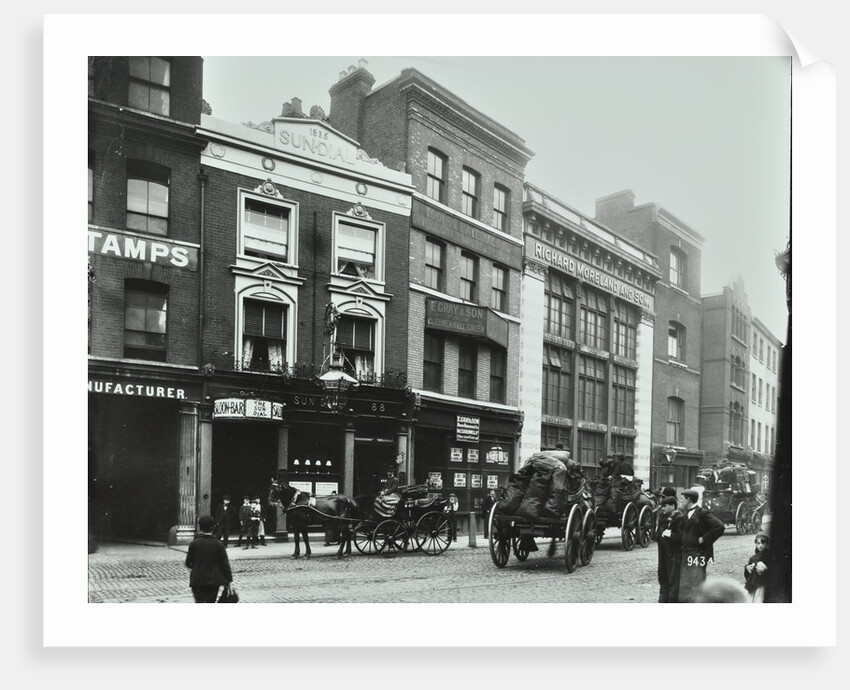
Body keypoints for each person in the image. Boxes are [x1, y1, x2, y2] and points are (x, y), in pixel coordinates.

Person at [678, 489, 725, 603]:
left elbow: (719, 527)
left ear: (688, 500)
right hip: (687, 553)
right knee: (687, 581)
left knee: (697, 581)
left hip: (699, 554)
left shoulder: (702, 513)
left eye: (682, 499)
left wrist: (704, 538)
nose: (680, 501)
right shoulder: (686, 513)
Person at [185, 515, 233, 603]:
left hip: (197, 580)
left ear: (200, 527)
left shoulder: (194, 544)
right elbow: (225, 564)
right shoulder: (219, 544)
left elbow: (188, 563)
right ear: (214, 527)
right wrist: (229, 580)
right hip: (214, 581)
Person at [655, 495, 683, 603]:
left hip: (673, 553)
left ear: (672, 506)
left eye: (665, 506)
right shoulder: (663, 516)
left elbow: (681, 537)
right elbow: (658, 531)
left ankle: (672, 600)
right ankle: (663, 598)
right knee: (662, 575)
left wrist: (670, 535)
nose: (662, 508)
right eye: (662, 506)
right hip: (662, 551)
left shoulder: (679, 518)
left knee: (673, 578)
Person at [744, 532, 770, 603]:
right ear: (755, 544)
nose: (760, 545)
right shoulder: (753, 558)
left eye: (763, 543)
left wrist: (765, 569)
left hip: (764, 585)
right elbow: (748, 575)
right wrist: (748, 568)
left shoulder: (770, 556)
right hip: (754, 584)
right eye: (758, 543)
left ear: (767, 544)